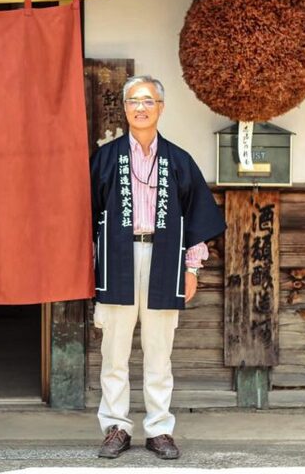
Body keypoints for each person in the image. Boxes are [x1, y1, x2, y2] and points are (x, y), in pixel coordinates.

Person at [90, 75, 226, 460]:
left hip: (164, 257)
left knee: (159, 352)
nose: (141, 107)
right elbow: (86, 215)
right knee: (114, 351)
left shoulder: (178, 160)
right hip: (116, 258)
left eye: (149, 100)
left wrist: (192, 268)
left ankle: (159, 429)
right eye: (134, 100)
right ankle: (116, 426)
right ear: (125, 108)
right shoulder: (105, 158)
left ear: (161, 108)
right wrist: (89, 265)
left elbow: (195, 216)